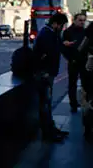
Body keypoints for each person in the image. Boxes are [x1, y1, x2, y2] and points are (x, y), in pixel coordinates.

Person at [33, 12, 70, 142]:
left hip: (48, 73)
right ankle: (47, 132)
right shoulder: (47, 34)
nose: (62, 28)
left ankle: (51, 128)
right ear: (55, 24)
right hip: (45, 74)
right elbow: (48, 53)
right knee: (45, 103)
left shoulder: (50, 33)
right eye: (62, 25)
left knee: (47, 102)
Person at [62, 13, 87, 112]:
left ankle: (85, 102)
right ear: (74, 20)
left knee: (85, 83)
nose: (82, 22)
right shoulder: (68, 32)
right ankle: (73, 104)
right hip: (73, 62)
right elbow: (63, 48)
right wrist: (70, 59)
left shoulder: (85, 32)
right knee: (72, 83)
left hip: (84, 61)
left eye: (83, 20)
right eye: (80, 20)